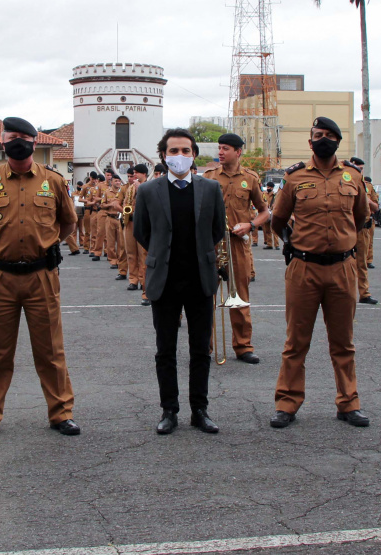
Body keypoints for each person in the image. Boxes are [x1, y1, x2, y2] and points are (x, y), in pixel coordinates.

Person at [0, 117, 80, 437]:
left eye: (25, 138)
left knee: (50, 350)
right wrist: (2, 249)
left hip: (42, 274)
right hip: (1, 275)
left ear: (33, 142)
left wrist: (46, 245)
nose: (19, 142)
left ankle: (61, 413)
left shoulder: (54, 181)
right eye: (12, 137)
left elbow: (68, 224)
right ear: (3, 142)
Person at [269, 117, 370, 429]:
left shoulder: (353, 176)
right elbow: (278, 218)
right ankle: (287, 403)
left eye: (328, 135)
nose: (322, 139)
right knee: (296, 342)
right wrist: (290, 243)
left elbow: (361, 216)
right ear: (309, 141)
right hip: (304, 269)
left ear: (337, 141)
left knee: (343, 343)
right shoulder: (294, 177)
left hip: (342, 268)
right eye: (317, 135)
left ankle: (348, 403)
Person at [133, 128, 226, 435]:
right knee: (165, 350)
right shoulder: (148, 191)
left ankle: (200, 409)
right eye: (173, 151)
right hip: (165, 280)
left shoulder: (211, 189)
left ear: (194, 155)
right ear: (163, 155)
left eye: (185, 151)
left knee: (201, 349)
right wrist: (162, 255)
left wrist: (200, 256)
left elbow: (216, 230)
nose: (179, 156)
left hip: (200, 278)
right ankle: (168, 410)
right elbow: (142, 232)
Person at [203, 133, 269, 364]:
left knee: (239, 296)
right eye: (220, 148)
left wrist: (250, 225)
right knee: (205, 297)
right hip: (210, 244)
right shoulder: (208, 176)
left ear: (238, 151)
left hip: (237, 245)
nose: (221, 152)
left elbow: (264, 212)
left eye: (226, 148)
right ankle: (205, 347)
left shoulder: (250, 178)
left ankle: (243, 347)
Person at [120, 163, 150, 304]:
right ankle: (133, 280)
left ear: (143, 174)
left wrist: (141, 190)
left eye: (137, 173)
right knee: (131, 253)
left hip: (143, 224)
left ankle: (146, 289)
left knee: (144, 257)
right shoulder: (130, 188)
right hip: (130, 222)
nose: (134, 176)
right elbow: (126, 203)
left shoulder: (149, 186)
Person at [355, 175, 380, 304]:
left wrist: (368, 201)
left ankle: (364, 293)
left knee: (362, 262)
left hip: (363, 229)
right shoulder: (341, 183)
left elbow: (376, 207)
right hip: (345, 229)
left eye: (360, 168)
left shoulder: (368, 186)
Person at [262, 182, 279, 249]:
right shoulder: (264, 194)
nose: (268, 188)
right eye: (267, 187)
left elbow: (277, 203)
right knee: (267, 230)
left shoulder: (275, 195)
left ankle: (276, 245)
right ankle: (269, 244)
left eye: (269, 187)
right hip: (266, 212)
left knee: (274, 230)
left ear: (272, 188)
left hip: (273, 212)